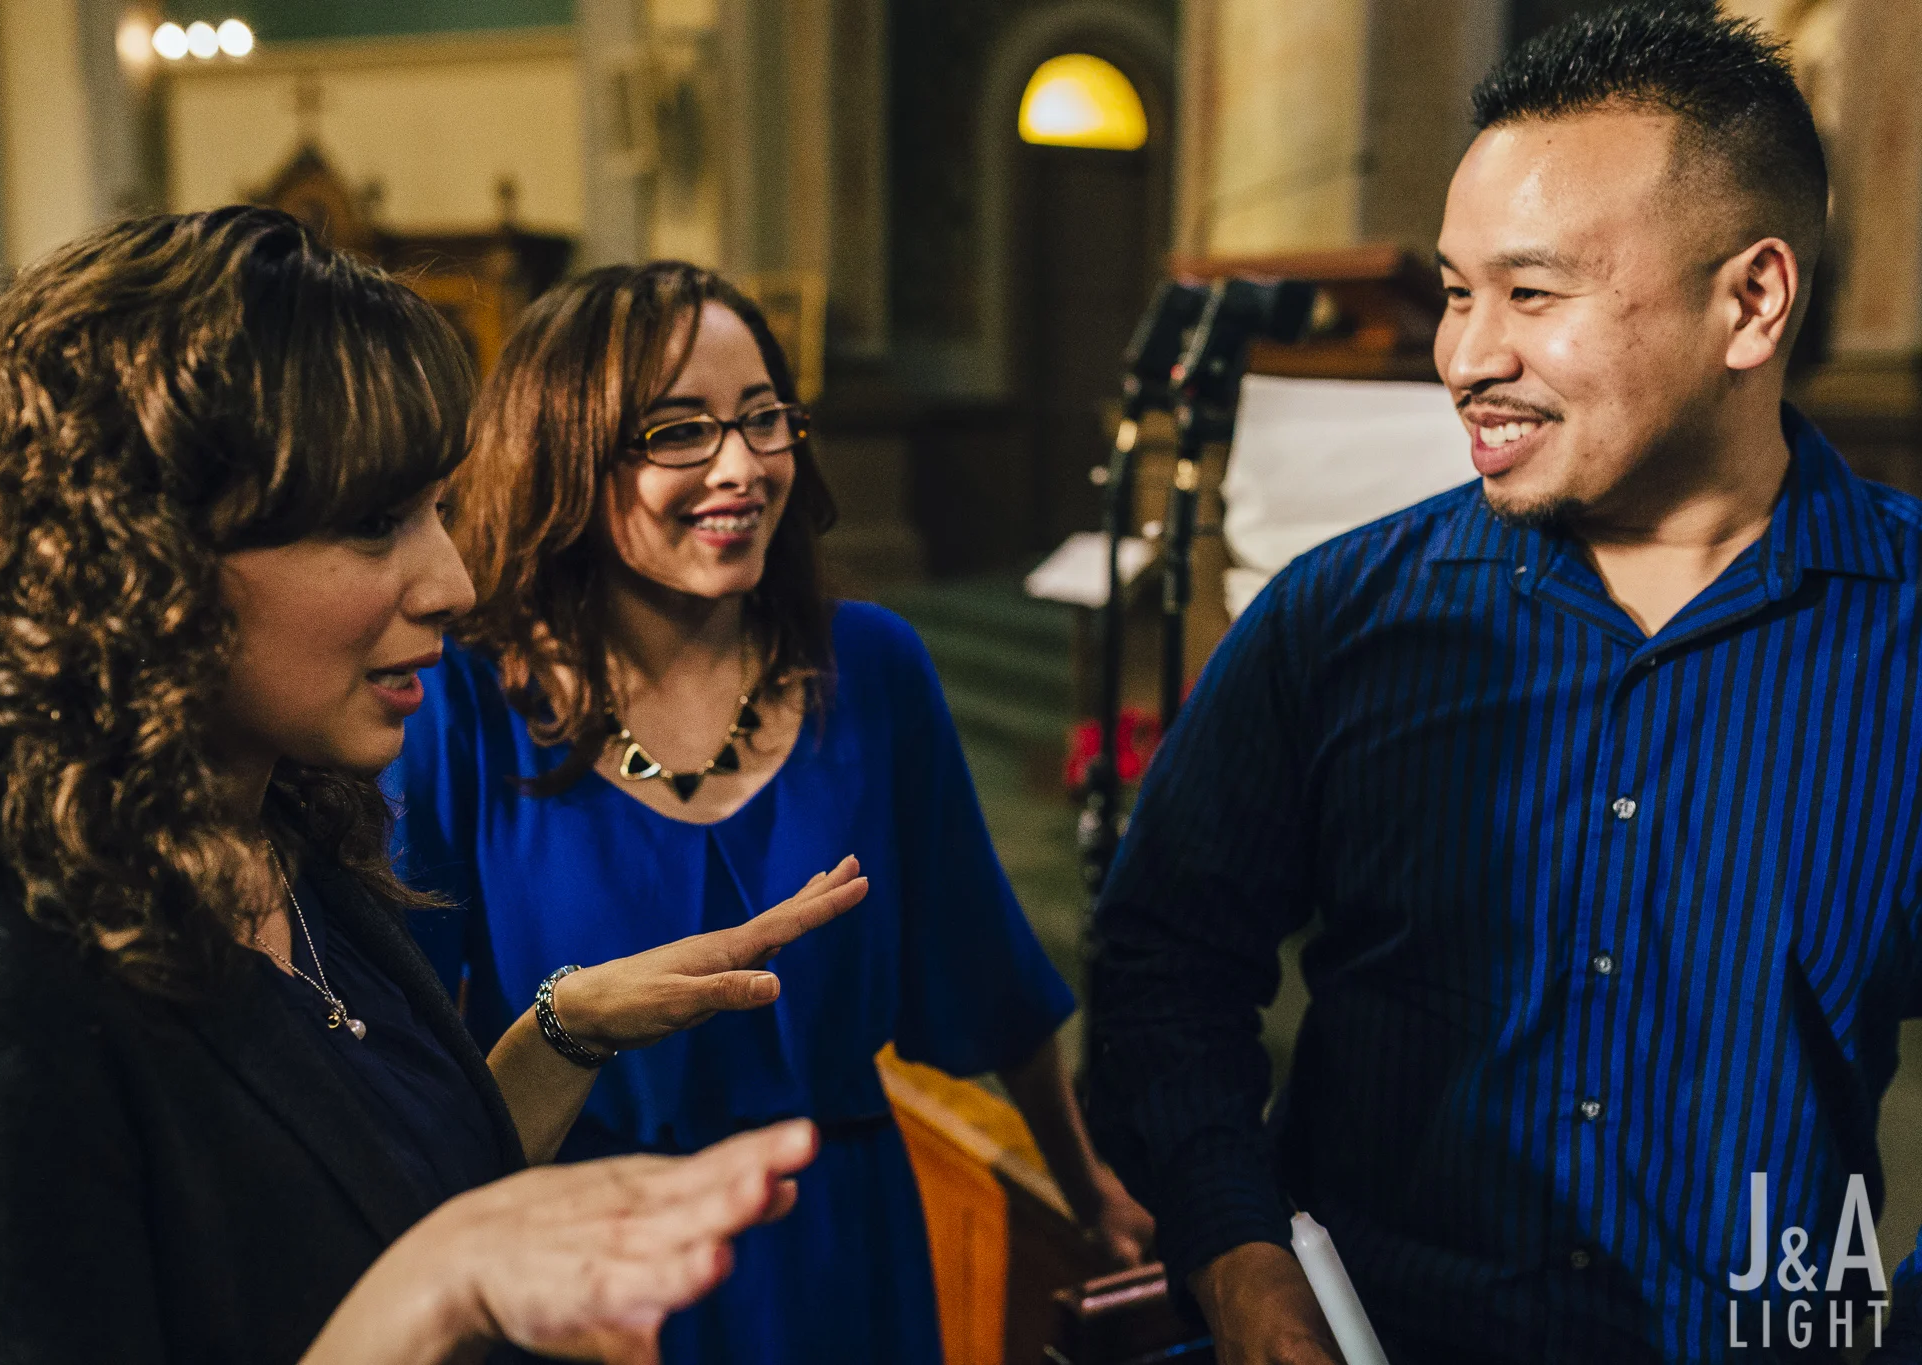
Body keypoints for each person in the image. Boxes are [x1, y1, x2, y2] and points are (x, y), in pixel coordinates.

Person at [0, 207, 872, 1365]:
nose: (451, 582)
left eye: (436, 509)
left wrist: (563, 1034)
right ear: (136, 558)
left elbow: (383, 1200)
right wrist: (432, 1297)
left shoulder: (288, 845)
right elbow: (403, 1271)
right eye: (371, 523)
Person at [1087, 8, 1922, 1364]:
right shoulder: (1341, 615)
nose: (1465, 355)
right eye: (1456, 291)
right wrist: (1240, 1265)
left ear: (1751, 301)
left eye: (1531, 295)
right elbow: (1162, 966)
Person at [389, 260, 1154, 1364]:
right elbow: (400, 1063)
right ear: (563, 454)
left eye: (763, 419)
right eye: (679, 432)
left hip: (836, 1251)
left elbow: (981, 965)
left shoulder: (872, 667)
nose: (742, 466)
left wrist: (1087, 1189)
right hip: (591, 1265)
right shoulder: (461, 705)